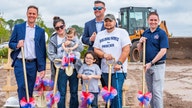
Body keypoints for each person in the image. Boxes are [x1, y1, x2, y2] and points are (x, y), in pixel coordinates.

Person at [8, 5, 46, 106]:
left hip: (32, 64)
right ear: (27, 14)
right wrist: (17, 44)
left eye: (34, 14)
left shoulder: (40, 31)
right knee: (21, 87)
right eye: (30, 13)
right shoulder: (18, 27)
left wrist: (42, 68)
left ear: (37, 15)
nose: (31, 15)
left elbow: (42, 51)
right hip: (20, 63)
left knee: (30, 89)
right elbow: (10, 43)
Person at [93, 14, 132, 108]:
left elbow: (126, 49)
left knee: (116, 94)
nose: (108, 23)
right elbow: (96, 49)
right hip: (105, 70)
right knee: (108, 95)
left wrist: (119, 63)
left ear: (115, 22)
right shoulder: (100, 34)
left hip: (118, 70)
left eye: (110, 21)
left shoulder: (122, 32)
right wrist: (103, 55)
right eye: (106, 21)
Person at [47, 16, 82, 108]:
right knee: (61, 92)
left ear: (64, 26)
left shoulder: (71, 35)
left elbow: (81, 48)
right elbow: (51, 55)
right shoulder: (53, 40)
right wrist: (62, 59)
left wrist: (71, 43)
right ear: (55, 28)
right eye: (57, 28)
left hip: (73, 67)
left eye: (61, 27)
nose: (60, 29)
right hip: (61, 68)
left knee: (74, 92)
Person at [137, 12, 169, 108]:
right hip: (147, 66)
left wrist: (151, 63)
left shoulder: (162, 33)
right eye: (151, 20)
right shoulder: (145, 33)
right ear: (148, 21)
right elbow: (139, 49)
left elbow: (163, 51)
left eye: (155, 20)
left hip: (158, 66)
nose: (153, 22)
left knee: (157, 92)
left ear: (158, 21)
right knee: (150, 92)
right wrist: (140, 42)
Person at [82, 0, 106, 87]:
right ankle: (91, 99)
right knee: (89, 81)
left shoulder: (110, 23)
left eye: (99, 8)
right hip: (91, 57)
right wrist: (90, 39)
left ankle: (107, 99)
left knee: (105, 81)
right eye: (95, 8)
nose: (97, 10)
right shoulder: (88, 24)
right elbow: (83, 39)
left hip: (105, 56)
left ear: (104, 9)